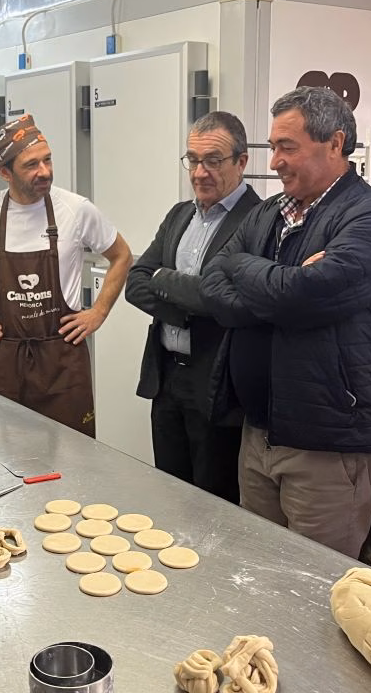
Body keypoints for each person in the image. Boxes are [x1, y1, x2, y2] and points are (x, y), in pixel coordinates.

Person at [200, 87, 371, 559]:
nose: (274, 162)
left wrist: (261, 279)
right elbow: (214, 280)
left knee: (317, 589)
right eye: (273, 147)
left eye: (287, 147)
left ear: (335, 143)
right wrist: (278, 288)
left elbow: (303, 295)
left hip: (325, 447)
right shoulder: (270, 212)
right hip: (257, 434)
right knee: (260, 576)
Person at [0, 114, 132, 437]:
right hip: (7, 358)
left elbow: (121, 255)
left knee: (77, 458)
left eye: (47, 160)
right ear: (5, 173)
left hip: (63, 360)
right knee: (12, 455)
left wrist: (98, 312)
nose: (44, 172)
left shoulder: (76, 209)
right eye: (31, 165)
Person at [125, 111, 261, 501]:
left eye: (213, 160)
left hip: (216, 385)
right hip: (166, 377)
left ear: (242, 162)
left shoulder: (257, 220)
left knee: (214, 505)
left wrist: (165, 281)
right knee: (169, 494)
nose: (200, 172)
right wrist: (189, 311)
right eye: (193, 160)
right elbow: (136, 282)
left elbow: (225, 299)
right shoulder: (180, 214)